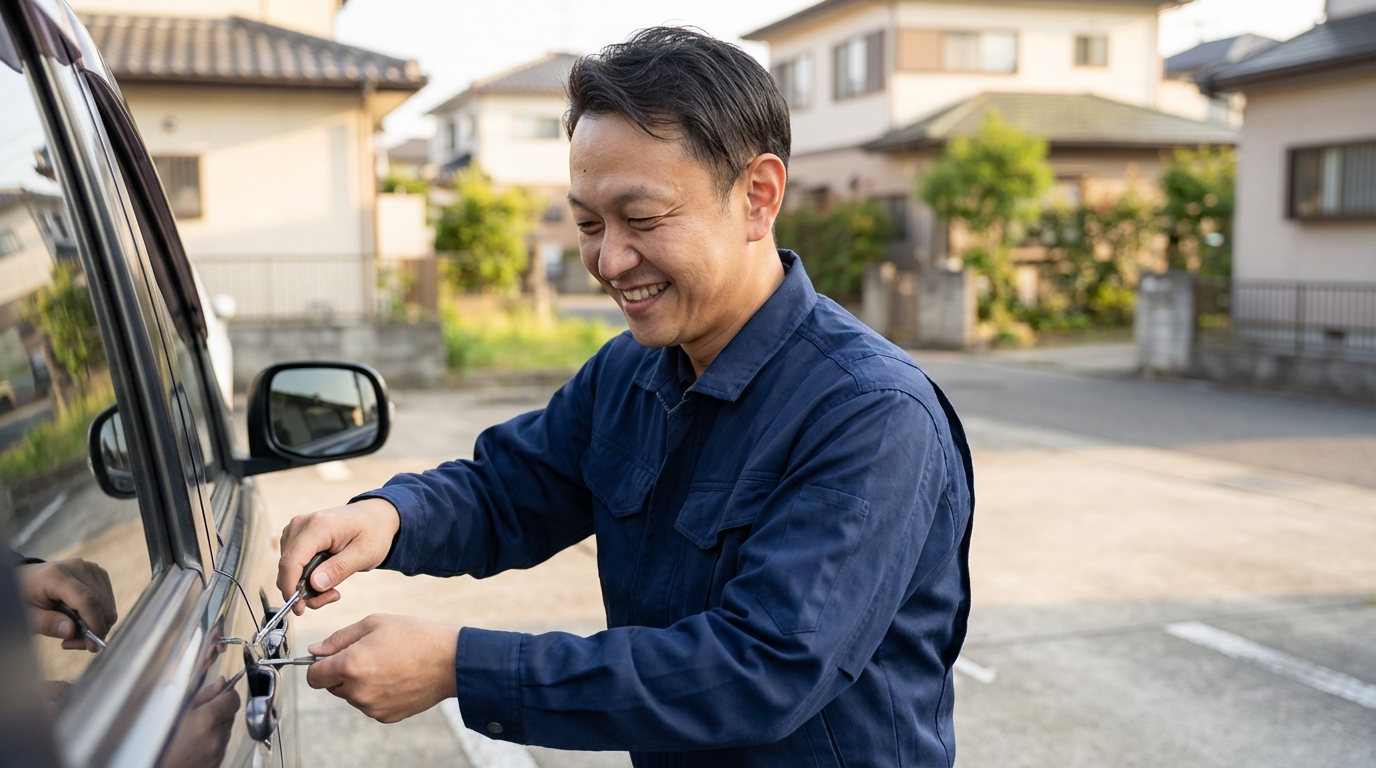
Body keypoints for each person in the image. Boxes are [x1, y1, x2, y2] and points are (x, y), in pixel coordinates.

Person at [277, 27, 974, 767]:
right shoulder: (631, 373)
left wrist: (459, 664)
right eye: (587, 223)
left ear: (758, 197)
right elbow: (509, 489)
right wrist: (387, 517)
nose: (608, 260)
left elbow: (760, 670)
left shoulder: (869, 414)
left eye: (642, 219)